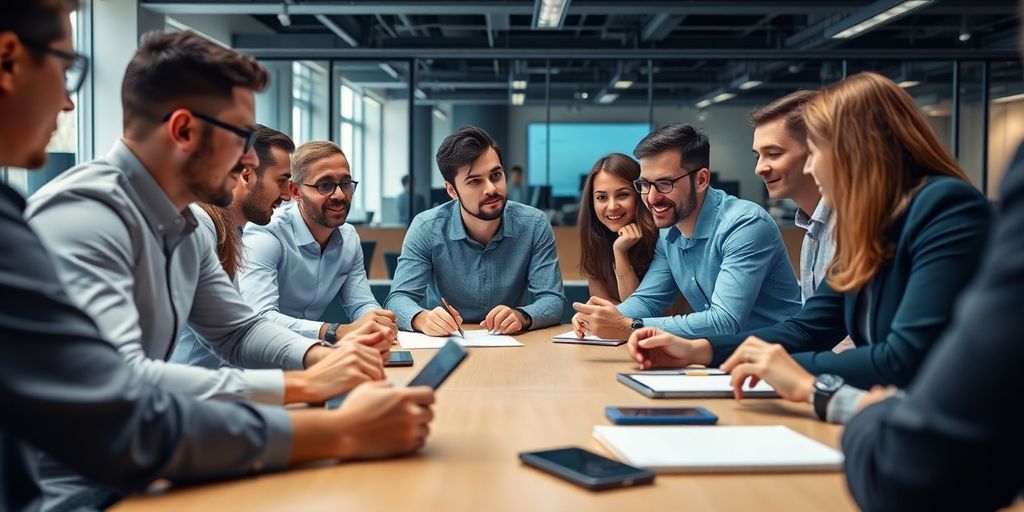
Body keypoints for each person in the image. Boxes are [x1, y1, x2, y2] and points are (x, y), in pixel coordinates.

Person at [0, 6, 432, 511]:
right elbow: (129, 388)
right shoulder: (87, 218)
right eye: (241, 139)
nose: (252, 162)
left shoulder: (187, 224)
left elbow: (237, 331)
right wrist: (319, 409)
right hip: (78, 489)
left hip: (143, 467)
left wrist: (325, 362)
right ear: (183, 131)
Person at [627, 72, 993, 398]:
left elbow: (905, 357)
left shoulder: (945, 206)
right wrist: (697, 351)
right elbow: (809, 328)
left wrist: (797, 373)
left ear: (857, 149)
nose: (812, 166)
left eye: (816, 152)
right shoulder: (870, 226)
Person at [572, 124, 801, 340]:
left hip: (777, 360)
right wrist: (600, 318)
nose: (651, 199)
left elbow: (725, 321)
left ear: (701, 180)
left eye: (664, 184)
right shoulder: (669, 231)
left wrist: (629, 326)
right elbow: (648, 300)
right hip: (722, 357)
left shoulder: (744, 225)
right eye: (645, 185)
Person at [385, 126, 566, 335]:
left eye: (496, 175)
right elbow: (397, 300)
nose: (491, 188)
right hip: (447, 345)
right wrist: (421, 318)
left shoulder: (534, 224)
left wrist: (521, 316)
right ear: (452, 190)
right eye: (475, 181)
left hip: (513, 348)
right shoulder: (426, 228)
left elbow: (554, 300)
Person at [239, 140, 399, 345]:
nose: (340, 195)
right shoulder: (267, 234)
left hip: (303, 356)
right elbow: (260, 317)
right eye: (325, 186)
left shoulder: (349, 238)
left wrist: (375, 321)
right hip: (248, 363)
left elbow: (361, 304)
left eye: (345, 183)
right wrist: (333, 331)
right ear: (296, 192)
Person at [170, 124, 295, 368]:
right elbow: (234, 332)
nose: (286, 194)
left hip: (215, 386)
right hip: (189, 393)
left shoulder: (230, 232)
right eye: (281, 181)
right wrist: (320, 353)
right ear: (247, 174)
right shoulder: (200, 227)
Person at [750, 90, 834, 303]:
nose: (759, 168)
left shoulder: (849, 228)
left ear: (816, 152)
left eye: (774, 154)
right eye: (758, 155)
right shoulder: (812, 231)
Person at [576, 153, 658, 303]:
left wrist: (620, 253)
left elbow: (637, 311)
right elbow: (603, 308)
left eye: (622, 195)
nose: (612, 206)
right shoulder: (596, 241)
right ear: (591, 202)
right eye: (602, 197)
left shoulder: (662, 242)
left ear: (640, 196)